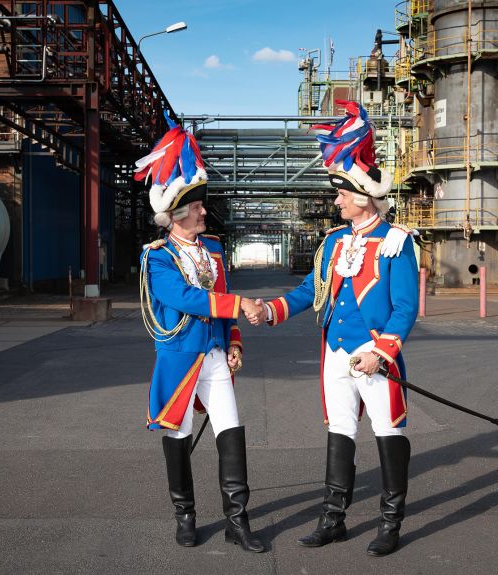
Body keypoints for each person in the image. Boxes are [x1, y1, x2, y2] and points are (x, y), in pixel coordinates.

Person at [246, 101, 419, 557]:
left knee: (387, 431)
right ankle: (333, 518)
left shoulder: (397, 243)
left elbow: (405, 308)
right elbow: (311, 291)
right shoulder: (333, 243)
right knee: (339, 429)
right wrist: (271, 311)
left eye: (342, 193)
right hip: (336, 354)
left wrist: (381, 352)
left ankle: (390, 521)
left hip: (374, 356)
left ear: (362, 196)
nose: (336, 200)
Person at [135, 112, 264, 553]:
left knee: (231, 428)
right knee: (180, 435)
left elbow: (222, 294)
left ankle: (237, 519)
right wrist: (237, 306)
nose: (205, 210)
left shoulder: (211, 249)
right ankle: (185, 515)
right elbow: (183, 299)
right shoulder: (157, 257)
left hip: (213, 354)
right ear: (177, 213)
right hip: (180, 358)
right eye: (197, 207)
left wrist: (233, 340)